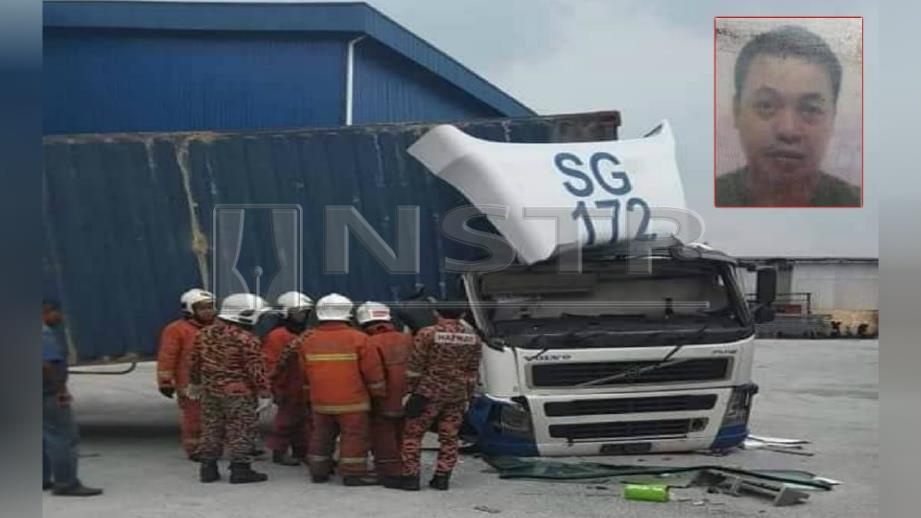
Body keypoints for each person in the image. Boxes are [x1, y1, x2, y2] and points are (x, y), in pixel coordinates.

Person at [716, 24, 861, 206]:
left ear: (833, 117)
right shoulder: (697, 200)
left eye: (810, 109)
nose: (788, 130)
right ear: (737, 110)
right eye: (766, 105)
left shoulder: (860, 205)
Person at [276, 293, 385, 486]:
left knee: (321, 435)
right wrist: (378, 394)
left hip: (321, 402)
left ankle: (318, 471)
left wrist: (309, 396)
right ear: (347, 313)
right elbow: (372, 372)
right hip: (353, 402)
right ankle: (353, 473)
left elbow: (304, 373)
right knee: (354, 436)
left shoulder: (308, 339)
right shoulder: (359, 338)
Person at [395, 302, 482, 491]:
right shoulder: (473, 337)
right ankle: (442, 478)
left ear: (436, 312)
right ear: (463, 314)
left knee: (412, 435)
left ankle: (411, 478)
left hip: (427, 394)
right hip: (456, 395)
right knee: (449, 437)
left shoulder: (427, 334)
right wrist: (468, 396)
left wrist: (410, 391)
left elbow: (415, 366)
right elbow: (472, 371)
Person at [188, 293, 273, 484]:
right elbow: (255, 368)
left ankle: (208, 469)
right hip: (238, 392)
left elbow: (194, 362)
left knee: (211, 429)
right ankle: (240, 470)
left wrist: (194, 383)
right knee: (241, 430)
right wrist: (265, 392)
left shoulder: (203, 333)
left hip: (210, 391)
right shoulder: (246, 338)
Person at [42, 299, 103, 497]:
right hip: (47, 393)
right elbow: (46, 365)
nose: (59, 318)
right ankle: (66, 483)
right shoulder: (42, 332)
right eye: (57, 313)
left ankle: (42, 479)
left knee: (42, 437)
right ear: (47, 312)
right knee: (63, 438)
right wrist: (61, 390)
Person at [355, 301, 413, 488]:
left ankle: (389, 471)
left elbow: (370, 373)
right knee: (405, 433)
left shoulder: (369, 343)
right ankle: (407, 466)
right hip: (409, 398)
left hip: (382, 398)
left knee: (382, 435)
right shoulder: (408, 339)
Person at [156, 288, 216, 460]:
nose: (208, 311)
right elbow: (167, 356)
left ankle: (218, 445)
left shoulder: (218, 327)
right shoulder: (176, 330)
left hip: (216, 382)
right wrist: (165, 382)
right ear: (190, 309)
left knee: (219, 416)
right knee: (194, 417)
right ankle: (195, 448)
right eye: (202, 308)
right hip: (190, 384)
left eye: (210, 307)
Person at [263, 291, 312, 466]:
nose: (302, 316)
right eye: (298, 312)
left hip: (302, 385)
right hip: (287, 385)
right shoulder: (278, 335)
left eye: (305, 312)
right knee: (286, 421)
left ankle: (302, 451)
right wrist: (274, 387)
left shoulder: (304, 333)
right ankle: (279, 451)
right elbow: (271, 363)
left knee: (302, 422)